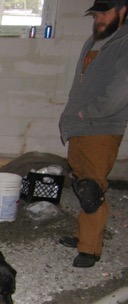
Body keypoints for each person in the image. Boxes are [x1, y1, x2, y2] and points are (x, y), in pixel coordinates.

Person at [58, 0, 128, 268]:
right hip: (80, 127)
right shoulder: (95, 41)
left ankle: (90, 249)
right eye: (96, 13)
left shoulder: (124, 43)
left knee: (92, 189)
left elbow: (120, 93)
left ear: (123, 10)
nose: (98, 18)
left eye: (105, 12)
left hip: (101, 128)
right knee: (81, 182)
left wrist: (88, 113)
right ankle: (81, 236)